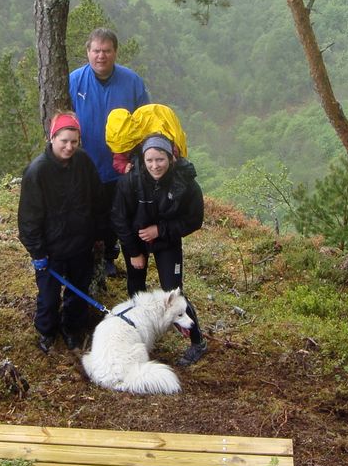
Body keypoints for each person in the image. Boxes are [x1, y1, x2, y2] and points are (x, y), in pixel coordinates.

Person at [111, 133, 208, 365]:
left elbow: (194, 219)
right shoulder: (131, 180)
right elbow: (119, 218)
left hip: (167, 241)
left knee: (173, 292)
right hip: (136, 240)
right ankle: (140, 335)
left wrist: (161, 230)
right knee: (136, 290)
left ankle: (197, 342)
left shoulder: (185, 182)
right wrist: (134, 251)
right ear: (142, 159)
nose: (155, 165)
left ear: (171, 157)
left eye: (160, 159)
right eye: (150, 160)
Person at [18, 112, 108, 353]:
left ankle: (72, 330)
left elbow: (97, 200)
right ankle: (47, 331)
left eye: (74, 142)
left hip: (81, 245)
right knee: (48, 298)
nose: (69, 147)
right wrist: (38, 252)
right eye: (64, 141)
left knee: (77, 295)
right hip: (51, 250)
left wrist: (99, 235)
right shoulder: (37, 171)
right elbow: (28, 218)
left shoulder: (84, 163)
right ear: (52, 138)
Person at [69, 27, 150, 276]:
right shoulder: (74, 80)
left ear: (115, 52)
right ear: (87, 52)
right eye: (96, 50)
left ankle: (110, 257)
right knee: (90, 213)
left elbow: (145, 118)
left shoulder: (131, 81)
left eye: (106, 51)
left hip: (121, 165)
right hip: (85, 162)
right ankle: (91, 256)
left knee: (119, 214)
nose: (100, 56)